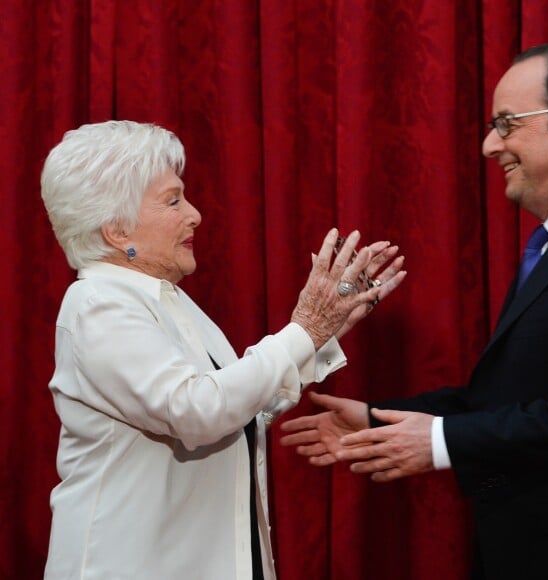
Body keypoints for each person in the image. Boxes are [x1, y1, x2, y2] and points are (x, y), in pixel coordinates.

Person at [39, 120, 406, 580]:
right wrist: (303, 331)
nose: (194, 214)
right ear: (116, 229)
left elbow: (237, 412)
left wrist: (324, 333)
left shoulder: (167, 299)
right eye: (173, 200)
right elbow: (197, 412)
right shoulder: (98, 303)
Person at [280, 42, 548, 580]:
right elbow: (510, 399)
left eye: (508, 124)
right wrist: (376, 422)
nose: (490, 145)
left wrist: (438, 443)